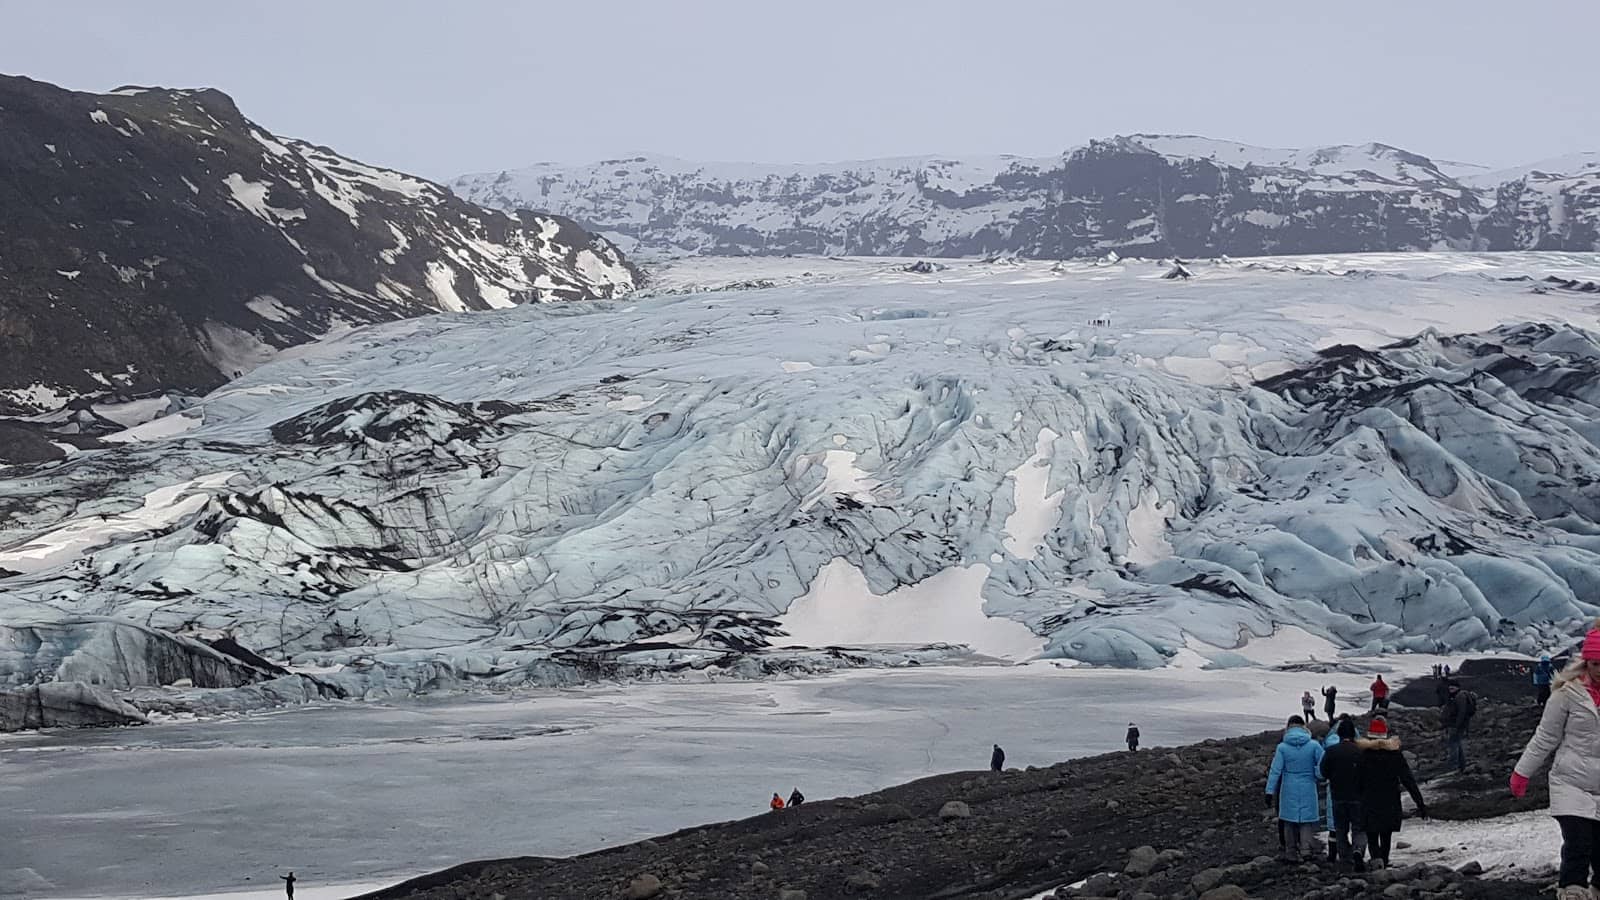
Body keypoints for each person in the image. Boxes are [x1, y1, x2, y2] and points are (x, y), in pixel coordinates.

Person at [1511, 624, 1600, 900]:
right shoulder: (1566, 694)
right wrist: (1522, 772)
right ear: (1586, 662)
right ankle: (1572, 890)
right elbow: (1545, 737)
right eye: (1596, 663)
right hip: (1570, 781)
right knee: (1577, 841)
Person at [1357, 716, 1427, 869]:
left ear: (1369, 736)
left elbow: (1355, 780)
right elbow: (1408, 780)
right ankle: (1385, 860)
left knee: (1372, 834)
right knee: (1386, 833)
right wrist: (1420, 803)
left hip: (1369, 800)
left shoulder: (1363, 755)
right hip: (1390, 801)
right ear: (1385, 735)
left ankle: (1376, 862)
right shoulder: (1395, 755)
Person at [1266, 714, 1325, 861]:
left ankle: (1291, 851)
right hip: (1308, 785)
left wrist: (1269, 791)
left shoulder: (1282, 747)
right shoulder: (1314, 746)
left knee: (1288, 820)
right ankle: (1306, 850)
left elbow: (1275, 770)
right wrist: (1318, 775)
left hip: (1288, 786)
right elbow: (1324, 766)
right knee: (1306, 821)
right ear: (1304, 727)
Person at [1320, 716, 1367, 869]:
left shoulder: (1331, 751)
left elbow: (1323, 772)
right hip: (1358, 796)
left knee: (1341, 828)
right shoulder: (1361, 751)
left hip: (1337, 795)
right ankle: (1358, 850)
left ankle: (1345, 860)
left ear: (1339, 734)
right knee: (1359, 828)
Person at [1442, 681, 1476, 773]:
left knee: (1453, 744)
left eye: (1452, 688)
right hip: (1456, 724)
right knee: (1457, 743)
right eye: (1449, 688)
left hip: (1457, 725)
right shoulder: (1457, 696)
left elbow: (1462, 712)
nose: (1450, 690)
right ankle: (1461, 765)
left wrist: (1457, 725)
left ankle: (1454, 765)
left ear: (1457, 688)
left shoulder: (1460, 697)